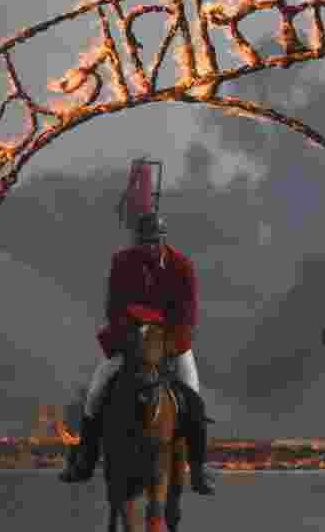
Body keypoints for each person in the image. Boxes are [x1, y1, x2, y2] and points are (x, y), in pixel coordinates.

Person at [60, 211, 216, 495]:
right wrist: (134, 331)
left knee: (194, 397)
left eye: (154, 242)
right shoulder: (122, 262)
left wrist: (160, 332)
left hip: (171, 340)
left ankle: (199, 468)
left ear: (163, 240)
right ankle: (84, 459)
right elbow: (113, 307)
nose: (148, 247)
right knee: (95, 392)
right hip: (130, 339)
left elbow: (187, 313)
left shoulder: (182, 265)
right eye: (144, 242)